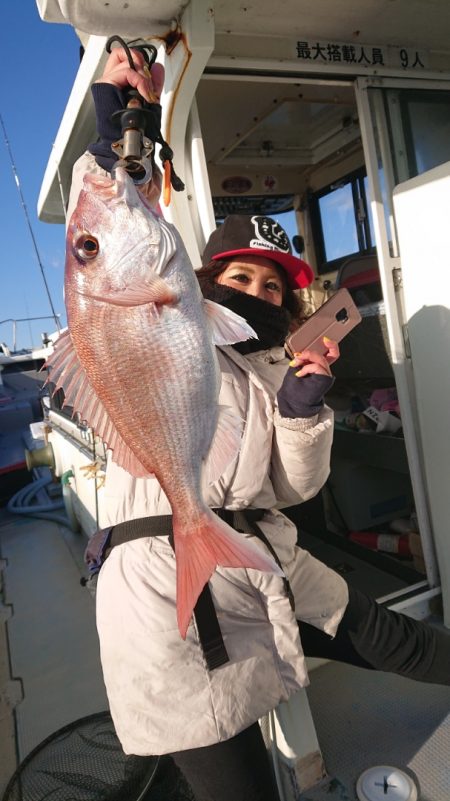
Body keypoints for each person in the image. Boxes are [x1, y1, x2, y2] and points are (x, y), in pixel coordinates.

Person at [68, 47, 449, 801]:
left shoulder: (275, 365)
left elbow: (293, 487)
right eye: (239, 275)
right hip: (162, 587)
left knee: (388, 633)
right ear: (201, 281)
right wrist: (120, 117)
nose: (256, 289)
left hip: (265, 558)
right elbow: (118, 213)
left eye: (271, 283)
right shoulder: (159, 318)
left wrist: (305, 410)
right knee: (232, 770)